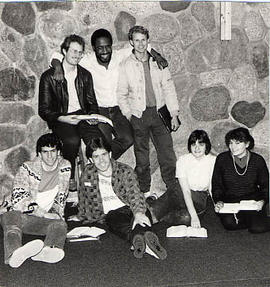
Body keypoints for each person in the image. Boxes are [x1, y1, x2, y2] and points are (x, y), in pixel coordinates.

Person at [51, 29, 167, 161]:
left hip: (119, 109)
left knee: (128, 139)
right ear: (94, 48)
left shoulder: (119, 56)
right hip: (100, 110)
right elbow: (57, 55)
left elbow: (144, 46)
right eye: (100, 48)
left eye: (107, 46)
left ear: (111, 46)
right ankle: (101, 161)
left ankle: (103, 161)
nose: (104, 51)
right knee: (102, 143)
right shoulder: (87, 60)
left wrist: (157, 56)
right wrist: (57, 67)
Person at [74, 137, 167, 260]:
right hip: (113, 214)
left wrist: (139, 213)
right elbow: (83, 195)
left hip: (132, 207)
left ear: (110, 154)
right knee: (114, 221)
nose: (101, 160)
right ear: (91, 160)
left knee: (142, 217)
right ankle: (144, 238)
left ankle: (137, 240)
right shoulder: (87, 173)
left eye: (104, 154)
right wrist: (80, 215)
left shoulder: (124, 171)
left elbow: (135, 194)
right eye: (96, 157)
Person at [117, 25, 181, 199]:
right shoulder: (125, 65)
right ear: (131, 42)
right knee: (142, 158)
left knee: (167, 153)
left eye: (143, 40)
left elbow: (169, 88)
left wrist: (174, 113)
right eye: (136, 40)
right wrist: (130, 115)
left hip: (160, 113)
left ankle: (173, 188)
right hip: (139, 115)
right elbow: (121, 94)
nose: (140, 44)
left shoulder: (157, 62)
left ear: (147, 41)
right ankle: (144, 191)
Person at [39, 34, 105, 190]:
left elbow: (91, 102)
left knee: (96, 141)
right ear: (64, 51)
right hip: (61, 117)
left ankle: (97, 178)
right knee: (71, 141)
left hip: (82, 114)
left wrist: (92, 116)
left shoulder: (85, 75)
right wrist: (62, 118)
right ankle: (69, 175)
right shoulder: (49, 77)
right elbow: (44, 109)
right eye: (74, 51)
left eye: (80, 52)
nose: (77, 55)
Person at [0, 133, 71, 268]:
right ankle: (14, 254)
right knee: (10, 217)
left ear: (59, 152)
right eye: (45, 152)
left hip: (38, 221)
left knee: (60, 224)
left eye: (53, 151)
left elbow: (62, 196)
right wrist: (42, 213)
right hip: (21, 214)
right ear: (39, 153)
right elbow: (19, 197)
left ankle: (47, 251)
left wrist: (56, 214)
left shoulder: (65, 167)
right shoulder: (27, 168)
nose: (49, 156)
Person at [212, 127, 270, 233]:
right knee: (229, 224)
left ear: (247, 144)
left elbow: (266, 186)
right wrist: (219, 201)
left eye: (238, 143)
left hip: (251, 200)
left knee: (258, 228)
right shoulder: (222, 159)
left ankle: (250, 218)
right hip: (230, 200)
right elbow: (217, 185)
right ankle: (249, 218)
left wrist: (262, 201)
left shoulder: (258, 160)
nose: (233, 147)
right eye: (231, 143)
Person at [176, 130, 216, 228]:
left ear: (206, 145)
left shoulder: (213, 161)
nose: (197, 148)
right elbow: (185, 191)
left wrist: (216, 204)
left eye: (201, 145)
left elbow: (212, 187)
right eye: (193, 145)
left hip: (199, 197)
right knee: (157, 209)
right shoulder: (183, 160)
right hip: (180, 192)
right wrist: (194, 216)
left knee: (185, 218)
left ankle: (156, 217)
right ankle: (141, 227)